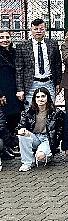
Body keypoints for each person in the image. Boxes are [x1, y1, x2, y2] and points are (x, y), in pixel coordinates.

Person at [15, 19, 62, 108]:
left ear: (45, 30)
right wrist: (20, 89)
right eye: (36, 29)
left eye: (41, 29)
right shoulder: (22, 46)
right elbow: (19, 69)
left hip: (49, 83)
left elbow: (57, 65)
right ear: (31, 30)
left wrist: (58, 83)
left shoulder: (53, 44)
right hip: (31, 84)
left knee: (50, 110)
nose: (39, 31)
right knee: (30, 111)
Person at [16, 87, 64, 172]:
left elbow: (61, 129)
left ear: (47, 97)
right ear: (34, 99)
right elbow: (21, 125)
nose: (40, 99)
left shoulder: (56, 112)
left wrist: (55, 142)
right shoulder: (28, 112)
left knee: (40, 156)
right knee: (22, 135)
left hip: (47, 138)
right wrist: (22, 129)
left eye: (43, 96)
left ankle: (48, 155)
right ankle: (27, 162)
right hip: (35, 137)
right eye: (38, 97)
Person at [0, 28, 21, 156]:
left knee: (15, 116)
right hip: (3, 91)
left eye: (7, 37)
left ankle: (9, 145)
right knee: (4, 118)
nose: (5, 40)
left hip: (14, 89)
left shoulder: (14, 52)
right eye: (1, 38)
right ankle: (4, 148)